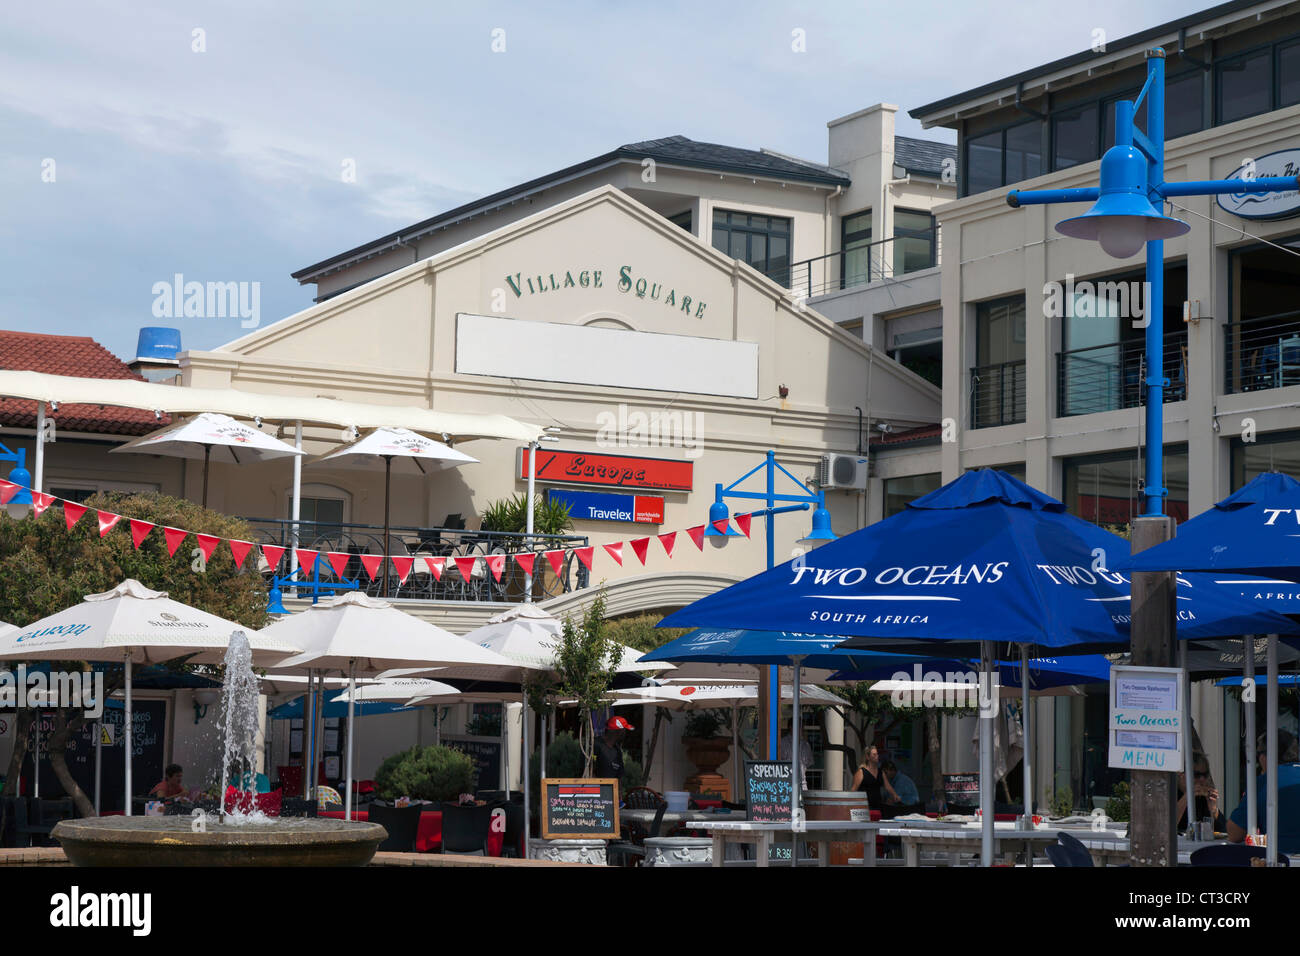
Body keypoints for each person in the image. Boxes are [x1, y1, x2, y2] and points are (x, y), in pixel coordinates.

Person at [1228, 730, 1300, 854]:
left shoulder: (1263, 783)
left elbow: (1234, 834)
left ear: (1265, 756)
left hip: (1280, 858)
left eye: (1259, 754)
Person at [1176, 753, 1225, 834]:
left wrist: (1213, 810)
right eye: (1197, 775)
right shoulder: (1170, 793)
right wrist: (1186, 797)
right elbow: (1167, 825)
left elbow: (1223, 830)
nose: (1202, 779)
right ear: (1182, 775)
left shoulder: (1202, 798)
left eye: (1205, 775)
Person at [850, 746, 899, 811]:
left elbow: (887, 786)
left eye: (877, 754)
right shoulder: (861, 772)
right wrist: (851, 805)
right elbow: (853, 789)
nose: (877, 756)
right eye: (874, 754)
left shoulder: (880, 772)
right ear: (868, 757)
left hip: (878, 806)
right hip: (864, 807)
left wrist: (894, 794)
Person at [778, 718, 814, 788]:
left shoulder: (806, 745)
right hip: (786, 783)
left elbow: (808, 763)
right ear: (791, 727)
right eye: (800, 726)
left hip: (802, 784)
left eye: (802, 727)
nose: (802, 729)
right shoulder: (782, 743)